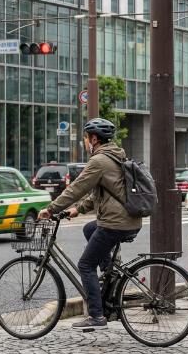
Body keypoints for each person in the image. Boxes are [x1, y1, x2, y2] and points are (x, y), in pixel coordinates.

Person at [38, 118, 141, 330]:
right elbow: (101, 193)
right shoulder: (115, 156)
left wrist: (51, 209)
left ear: (94, 139)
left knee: (85, 265)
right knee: (89, 228)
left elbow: (77, 188)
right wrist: (79, 209)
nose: (84, 142)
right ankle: (110, 274)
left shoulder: (99, 161)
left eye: (85, 138)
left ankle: (96, 315)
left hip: (115, 222)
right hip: (128, 218)